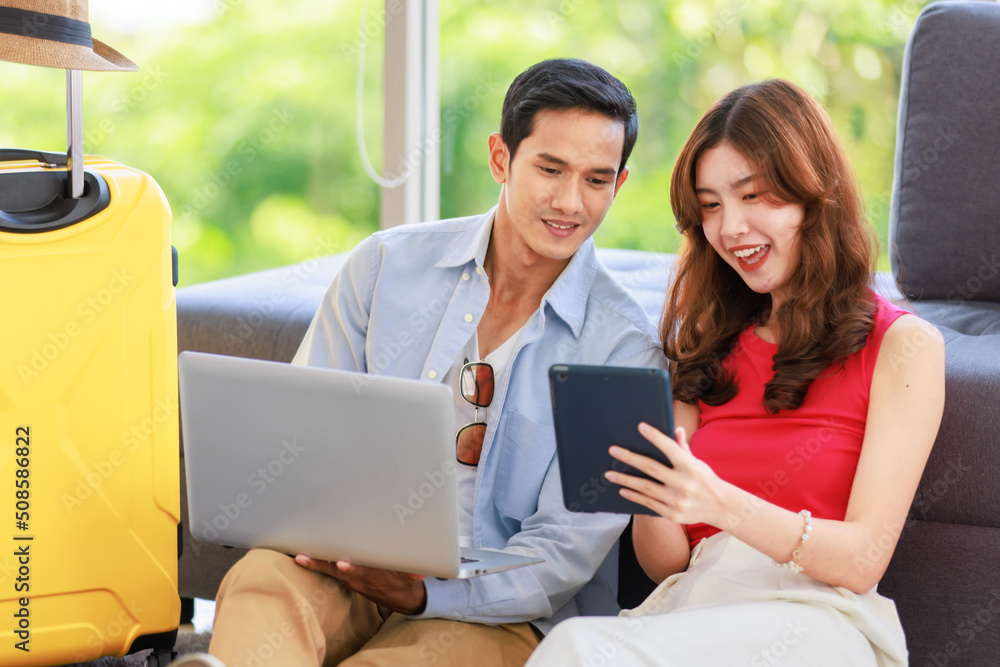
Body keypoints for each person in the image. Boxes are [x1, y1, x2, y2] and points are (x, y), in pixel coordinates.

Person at [171, 58, 666, 667]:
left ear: (619, 184)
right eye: (550, 169)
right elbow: (297, 441)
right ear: (501, 158)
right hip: (350, 565)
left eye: (596, 180)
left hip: (503, 614)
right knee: (261, 581)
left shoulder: (625, 350)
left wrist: (425, 594)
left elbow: (563, 554)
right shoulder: (385, 266)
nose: (570, 202)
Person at [524, 78, 946, 666]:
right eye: (712, 205)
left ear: (814, 194)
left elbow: (861, 560)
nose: (731, 229)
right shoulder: (708, 346)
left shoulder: (903, 346)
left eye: (753, 196)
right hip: (696, 608)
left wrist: (721, 503)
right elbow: (666, 564)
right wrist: (653, 490)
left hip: (816, 620)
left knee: (574, 648)